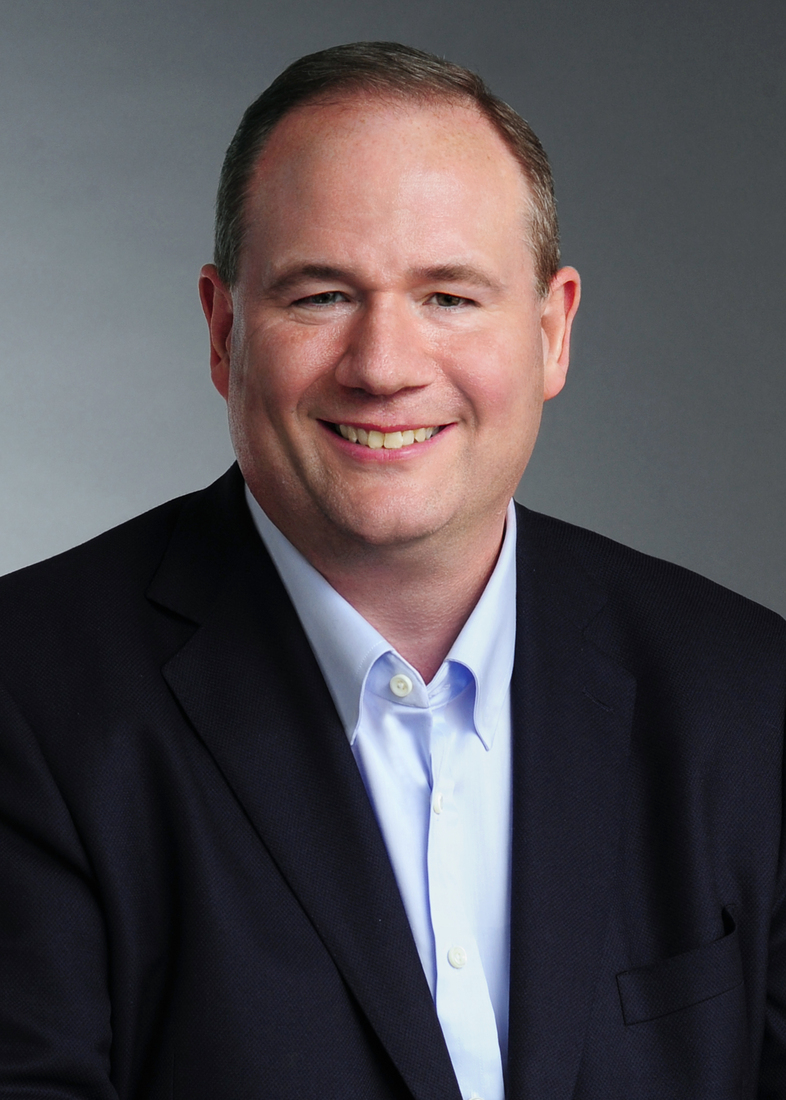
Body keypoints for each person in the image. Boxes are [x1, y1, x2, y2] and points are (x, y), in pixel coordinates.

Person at [0, 40, 784, 1100]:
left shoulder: (747, 692)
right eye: (322, 294)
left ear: (552, 333)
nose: (383, 365)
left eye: (450, 297)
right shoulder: (30, 695)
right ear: (225, 329)